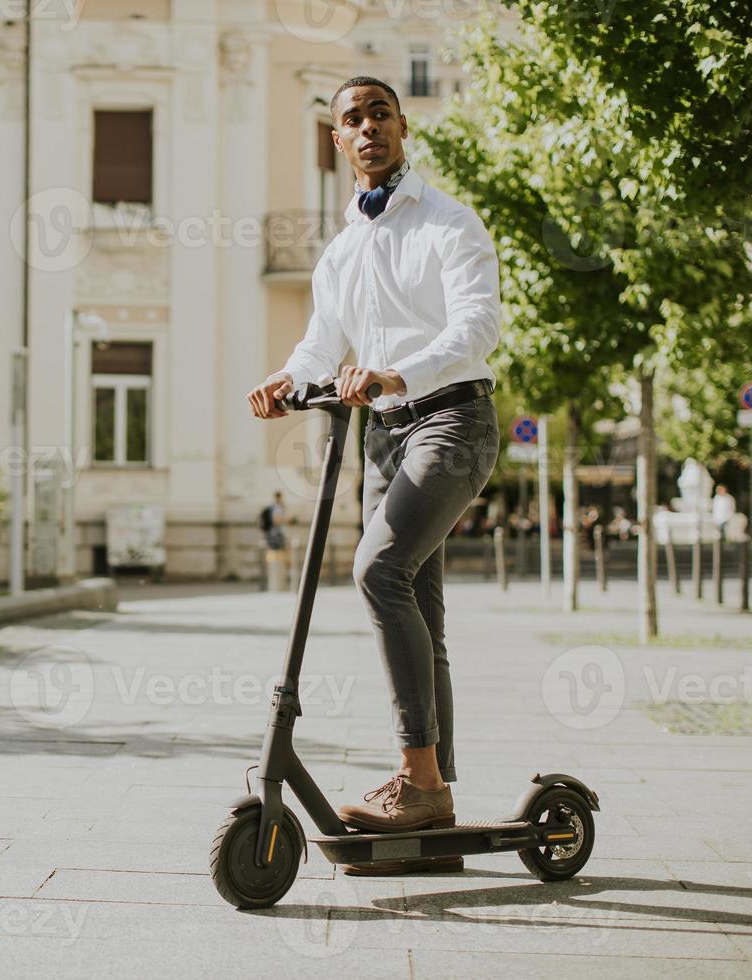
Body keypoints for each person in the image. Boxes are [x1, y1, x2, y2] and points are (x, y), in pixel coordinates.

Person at [247, 75, 500, 875]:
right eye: (350, 119)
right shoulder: (341, 251)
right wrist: (287, 381)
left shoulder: (449, 223)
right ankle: (436, 795)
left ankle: (417, 781)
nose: (367, 129)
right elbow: (322, 343)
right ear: (336, 141)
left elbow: (477, 325)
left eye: (379, 114)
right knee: (420, 602)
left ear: (401, 124)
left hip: (452, 419)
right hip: (384, 436)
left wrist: (393, 372)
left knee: (379, 570)